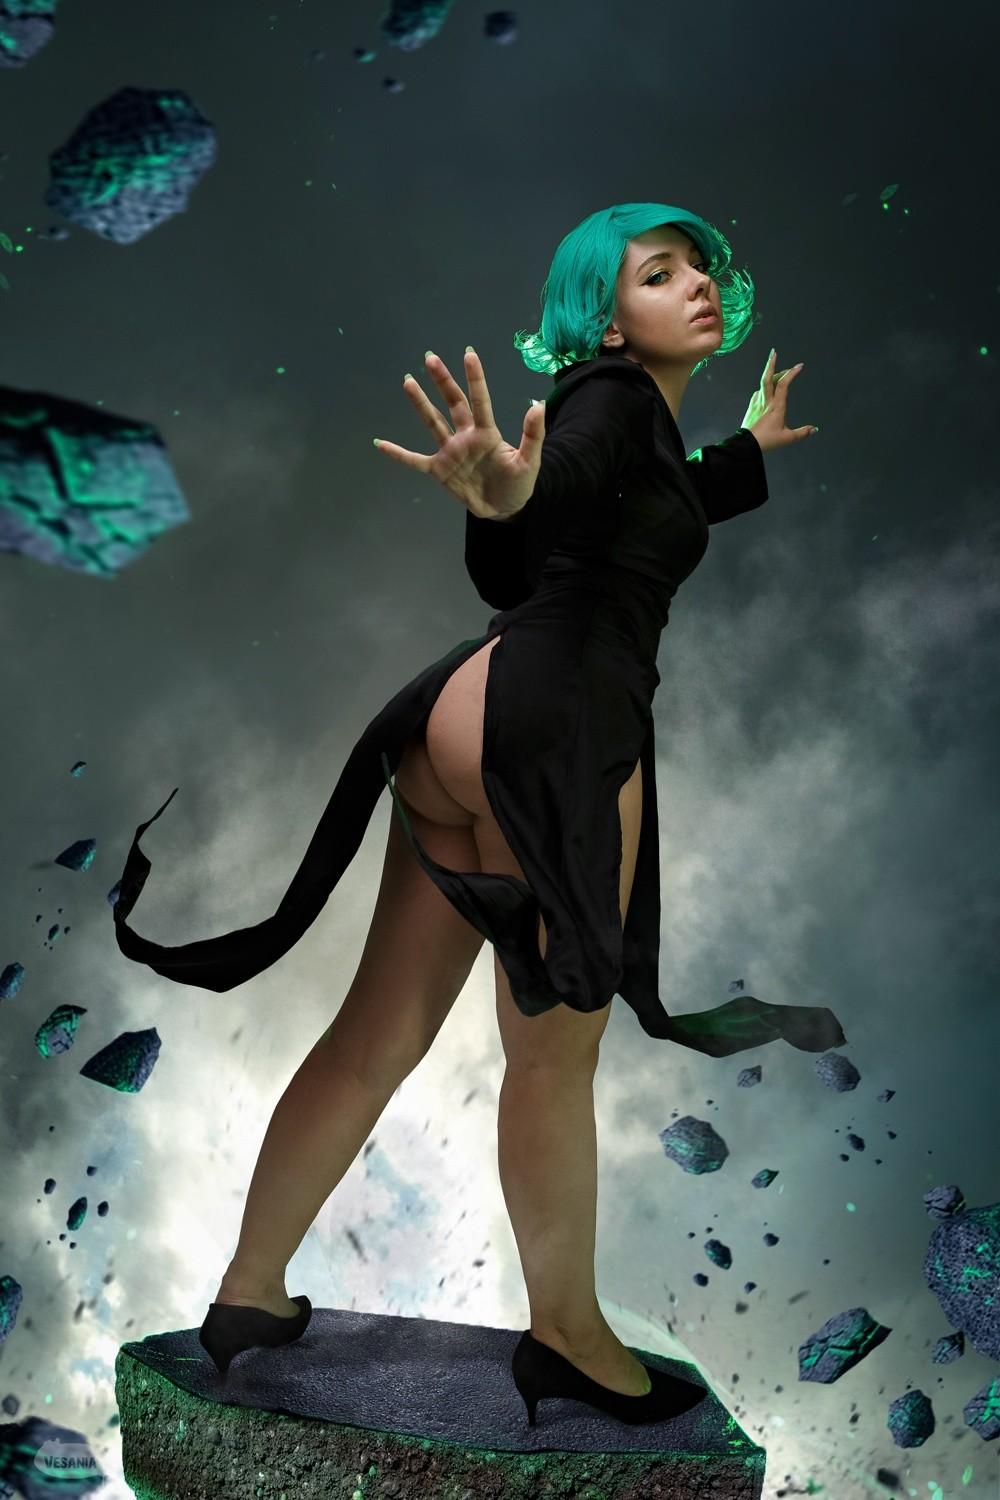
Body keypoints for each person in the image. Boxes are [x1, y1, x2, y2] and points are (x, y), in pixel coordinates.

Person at [117, 201, 841, 1422]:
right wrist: (504, 500)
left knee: (379, 1029)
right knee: (552, 1056)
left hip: (458, 723)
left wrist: (748, 450)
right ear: (605, 320)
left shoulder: (643, 426)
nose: (698, 286)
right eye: (659, 274)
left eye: (701, 268)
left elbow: (653, 500)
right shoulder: (612, 400)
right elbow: (555, 498)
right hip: (553, 726)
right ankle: (565, 1338)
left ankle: (248, 1291)